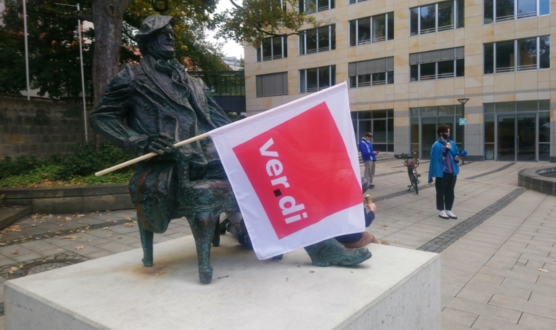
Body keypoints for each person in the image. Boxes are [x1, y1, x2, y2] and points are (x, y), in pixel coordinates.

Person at [89, 15, 370, 283]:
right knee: (271, 174)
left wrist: (254, 134)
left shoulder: (192, 81)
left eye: (171, 32)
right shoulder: (132, 77)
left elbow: (221, 121)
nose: (171, 37)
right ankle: (318, 247)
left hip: (211, 155)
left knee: (278, 168)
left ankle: (317, 245)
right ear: (148, 42)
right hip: (174, 162)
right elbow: (102, 116)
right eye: (163, 34)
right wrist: (138, 141)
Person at [428, 124, 460, 220]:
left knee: (450, 192)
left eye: (449, 132)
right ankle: (441, 210)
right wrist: (442, 158)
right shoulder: (436, 145)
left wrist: (457, 158)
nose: (448, 134)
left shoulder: (452, 143)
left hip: (452, 172)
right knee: (441, 192)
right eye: (447, 132)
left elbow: (456, 153)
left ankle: (448, 209)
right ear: (441, 133)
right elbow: (433, 158)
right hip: (442, 173)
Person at [335, 179, 378, 248]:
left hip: (336, 239)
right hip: (352, 240)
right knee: (371, 236)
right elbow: (366, 223)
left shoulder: (336, 198)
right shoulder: (356, 202)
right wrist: (372, 210)